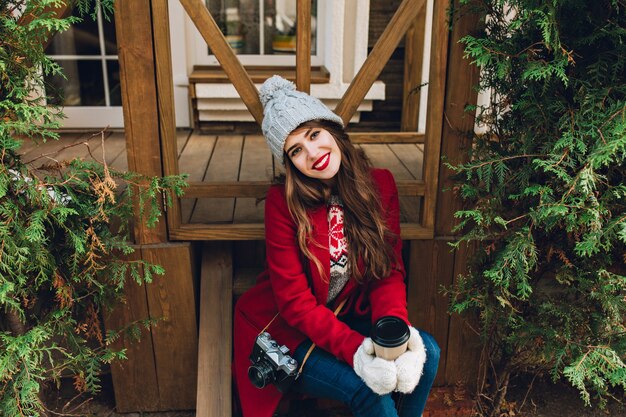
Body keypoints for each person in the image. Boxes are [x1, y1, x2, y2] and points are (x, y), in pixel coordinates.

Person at [233, 75, 440, 417]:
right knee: (368, 392)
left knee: (426, 352)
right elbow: (295, 305)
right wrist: (359, 352)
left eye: (314, 135)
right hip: (287, 332)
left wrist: (391, 332)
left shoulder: (380, 185)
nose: (312, 154)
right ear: (289, 163)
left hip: (342, 314)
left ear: (332, 130)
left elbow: (386, 271)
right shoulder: (282, 203)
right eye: (296, 150)